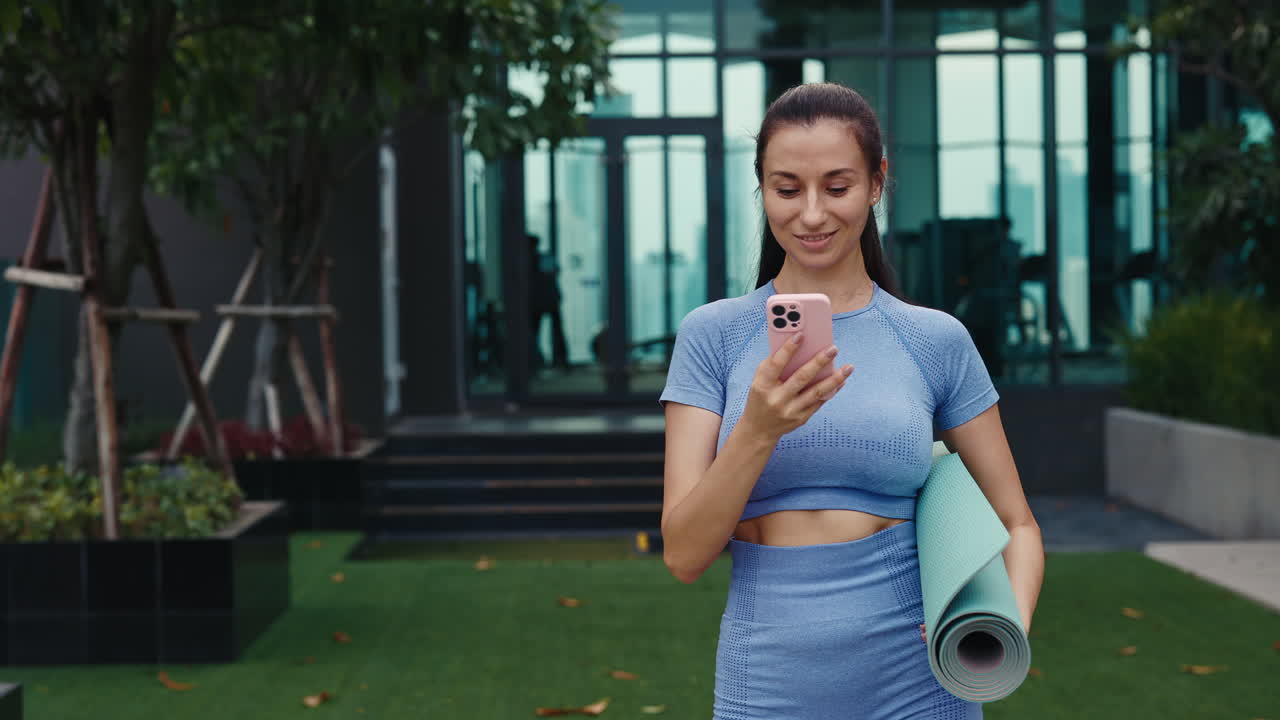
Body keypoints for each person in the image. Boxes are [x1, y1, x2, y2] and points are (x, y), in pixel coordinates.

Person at [658, 83, 1044, 719]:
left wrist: (1002, 625)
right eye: (787, 189)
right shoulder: (714, 336)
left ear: (876, 183)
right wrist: (758, 429)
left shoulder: (934, 339)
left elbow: (1017, 523)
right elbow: (683, 555)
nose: (811, 214)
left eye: (836, 187)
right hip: (767, 677)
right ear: (761, 189)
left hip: (921, 681)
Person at [528, 233, 569, 370]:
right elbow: (555, 272)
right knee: (547, 330)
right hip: (546, 299)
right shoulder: (544, 258)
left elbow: (554, 272)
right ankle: (556, 359)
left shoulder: (530, 260)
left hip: (539, 300)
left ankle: (552, 359)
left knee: (537, 331)